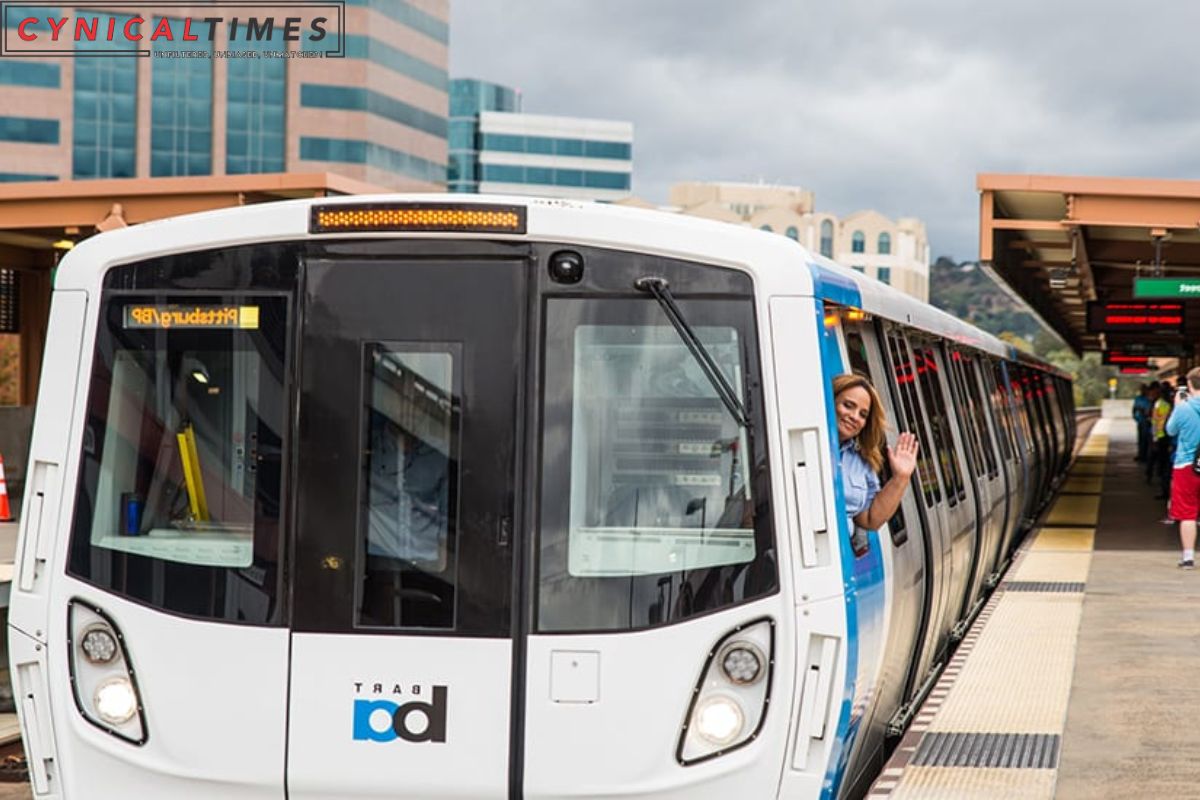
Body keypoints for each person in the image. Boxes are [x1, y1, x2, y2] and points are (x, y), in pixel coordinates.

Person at [832, 373, 919, 531]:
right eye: (848, 405)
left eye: (863, 415)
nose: (854, 417)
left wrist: (901, 477)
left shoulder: (860, 461)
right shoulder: (805, 445)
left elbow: (870, 519)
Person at [1165, 367, 1200, 569]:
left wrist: (1178, 406)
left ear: (1189, 385)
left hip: (1186, 466)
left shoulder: (1184, 408)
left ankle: (1188, 557)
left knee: (1188, 513)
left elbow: (1170, 431)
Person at [1133, 384, 1152, 463]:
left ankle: (1145, 455)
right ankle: (1140, 454)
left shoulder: (1149, 399)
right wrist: (1134, 416)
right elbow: (1134, 408)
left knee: (1146, 439)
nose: (1142, 391)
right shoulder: (1138, 398)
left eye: (1144, 389)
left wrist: (1144, 411)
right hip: (1140, 420)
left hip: (1147, 421)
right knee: (1140, 438)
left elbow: (1149, 410)